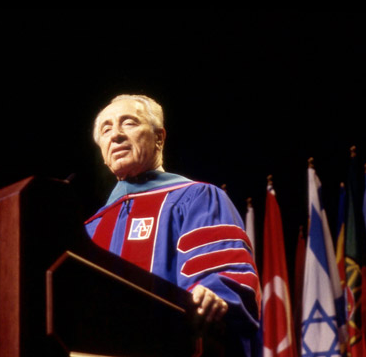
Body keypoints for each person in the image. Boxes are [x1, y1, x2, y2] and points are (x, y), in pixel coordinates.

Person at [84, 94, 260, 356]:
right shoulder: (90, 228)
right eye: (106, 129)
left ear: (159, 138)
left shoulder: (197, 198)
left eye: (129, 123)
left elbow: (224, 274)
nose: (116, 135)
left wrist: (214, 292)